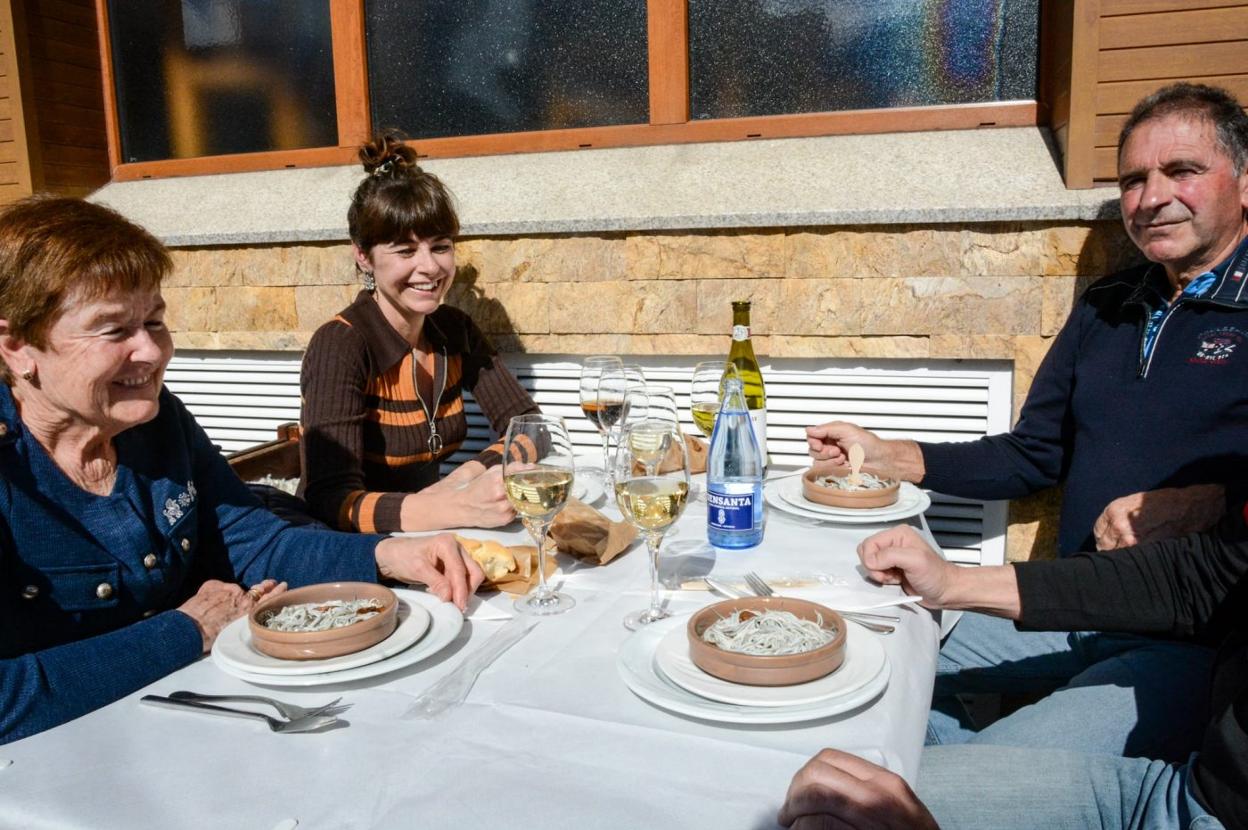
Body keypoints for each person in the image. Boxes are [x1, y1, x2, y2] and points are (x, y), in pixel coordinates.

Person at [806, 82, 1248, 761]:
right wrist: (884, 453)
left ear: (1243, 184)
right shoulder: (1107, 304)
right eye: (1133, 180)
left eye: (1181, 170)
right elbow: (1031, 456)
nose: (1152, 197)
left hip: (1190, 638)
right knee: (861, 662)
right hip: (1067, 604)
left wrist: (1213, 501)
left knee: (947, 779)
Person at [0, 196, 484, 744]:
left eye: (154, 321)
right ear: (18, 347)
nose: (151, 352)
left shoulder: (156, 424)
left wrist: (390, 555)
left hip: (191, 718)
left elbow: (255, 543)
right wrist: (187, 630)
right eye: (113, 331)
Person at [779, 518, 1244, 829]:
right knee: (874, 648)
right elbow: (1202, 575)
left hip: (1190, 801)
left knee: (831, 797)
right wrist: (954, 583)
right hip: (1131, 626)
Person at [300, 133, 540, 534]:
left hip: (435, 533)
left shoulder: (453, 329)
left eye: (440, 246)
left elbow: (530, 425)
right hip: (360, 553)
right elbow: (330, 501)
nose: (429, 267)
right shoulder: (341, 344)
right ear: (363, 255)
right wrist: (454, 508)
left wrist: (463, 477)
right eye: (405, 251)